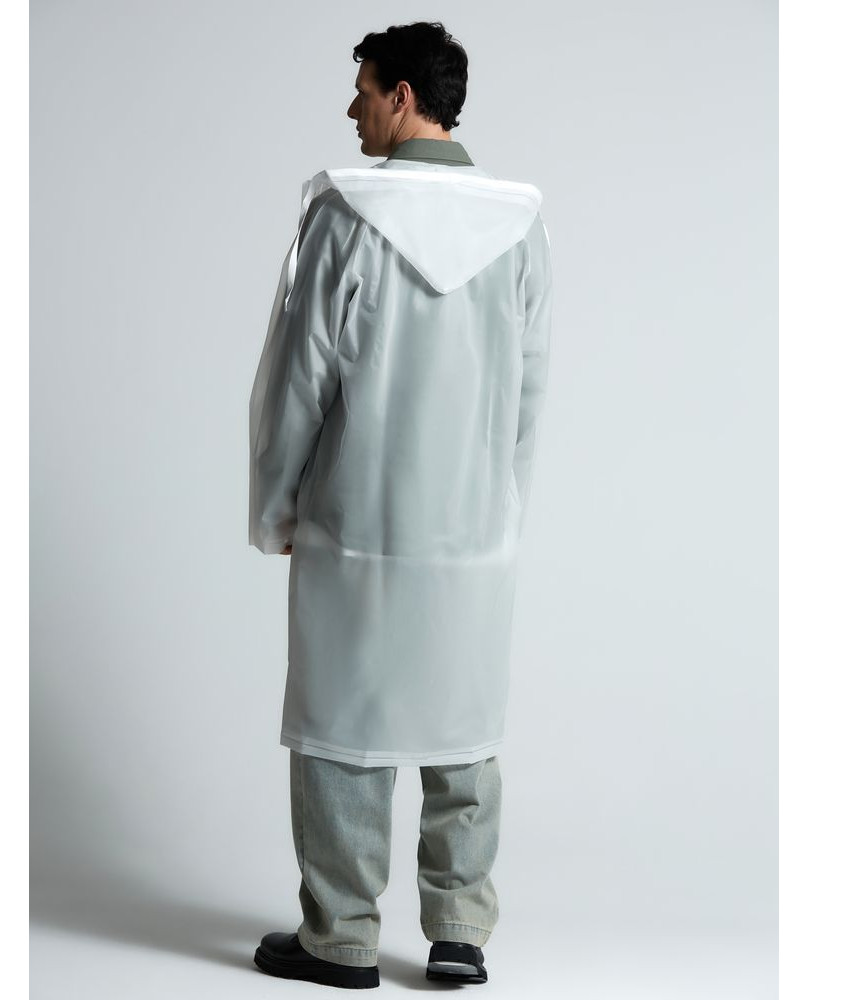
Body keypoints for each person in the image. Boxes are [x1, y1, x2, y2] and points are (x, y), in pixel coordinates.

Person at [249, 20, 553, 990]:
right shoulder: (520, 225)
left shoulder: (346, 216)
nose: (353, 108)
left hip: (356, 519)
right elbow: (528, 389)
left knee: (344, 727)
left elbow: (297, 380)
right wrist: (502, 509)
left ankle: (340, 935)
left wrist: (275, 505)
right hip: (473, 529)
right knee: (464, 728)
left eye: (365, 88)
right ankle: (458, 932)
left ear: (403, 98)